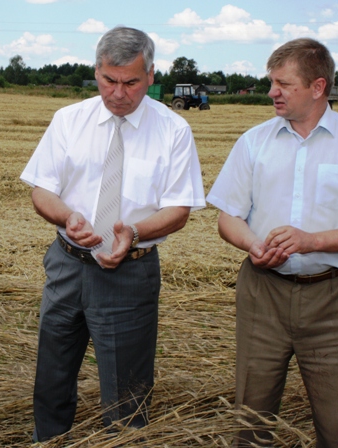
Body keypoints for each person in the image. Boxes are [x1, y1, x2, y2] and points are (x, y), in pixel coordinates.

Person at [207, 38, 338, 447]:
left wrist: (312, 242)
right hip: (262, 294)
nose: (272, 92)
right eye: (271, 82)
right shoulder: (253, 142)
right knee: (251, 418)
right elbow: (228, 217)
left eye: (283, 84)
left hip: (334, 299)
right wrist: (254, 245)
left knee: (335, 422)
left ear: (317, 86)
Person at [20, 26, 205, 442]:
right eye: (109, 81)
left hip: (130, 276)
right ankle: (48, 439)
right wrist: (67, 217)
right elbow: (41, 189)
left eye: (131, 82)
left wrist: (135, 232)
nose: (119, 93)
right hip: (67, 266)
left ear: (152, 75)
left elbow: (179, 209)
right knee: (52, 376)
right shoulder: (69, 120)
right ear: (97, 72)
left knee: (127, 394)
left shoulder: (174, 130)